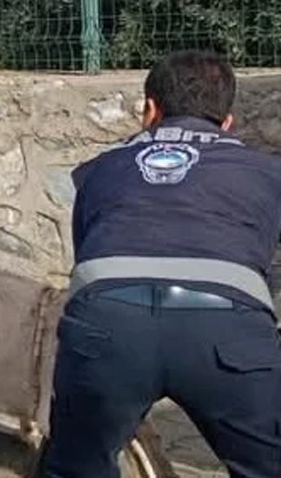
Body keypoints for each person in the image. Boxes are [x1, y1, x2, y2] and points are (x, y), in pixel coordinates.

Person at [42, 50, 281, 478]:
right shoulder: (265, 171)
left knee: (76, 466)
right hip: (227, 330)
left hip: (109, 325)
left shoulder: (100, 169)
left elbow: (89, 256)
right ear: (227, 121)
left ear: (149, 109)